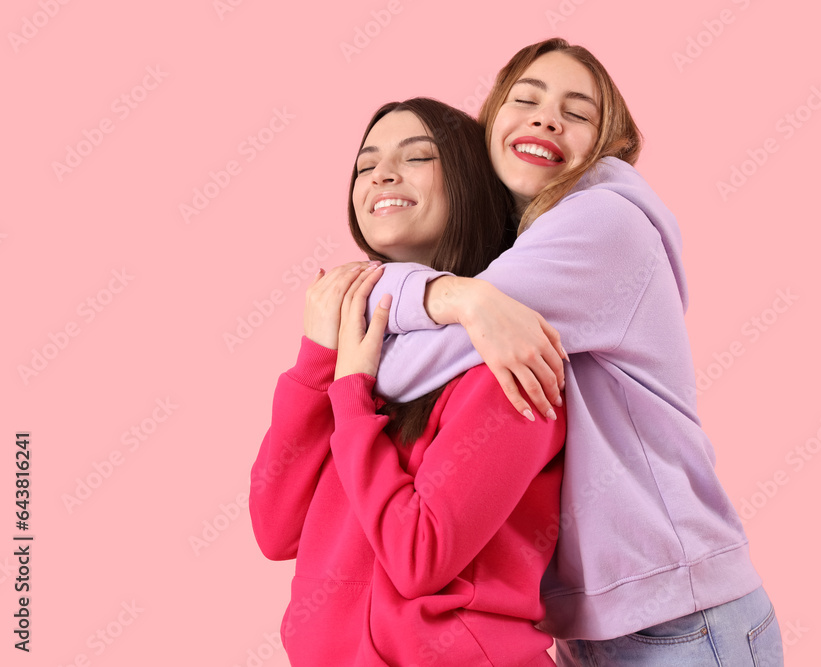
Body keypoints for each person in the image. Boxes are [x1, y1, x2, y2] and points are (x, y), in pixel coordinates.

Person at [361, 39, 785, 665]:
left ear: (608, 143)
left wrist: (440, 312)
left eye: (578, 112)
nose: (545, 118)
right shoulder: (518, 249)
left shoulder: (600, 224)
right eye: (524, 100)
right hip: (594, 621)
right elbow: (391, 302)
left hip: (682, 615)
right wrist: (466, 301)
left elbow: (394, 370)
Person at [249, 97, 566, 666]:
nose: (382, 176)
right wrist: (317, 363)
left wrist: (350, 398)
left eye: (417, 157)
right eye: (365, 165)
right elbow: (275, 530)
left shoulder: (509, 358)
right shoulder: (364, 352)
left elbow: (419, 557)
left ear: (470, 181)